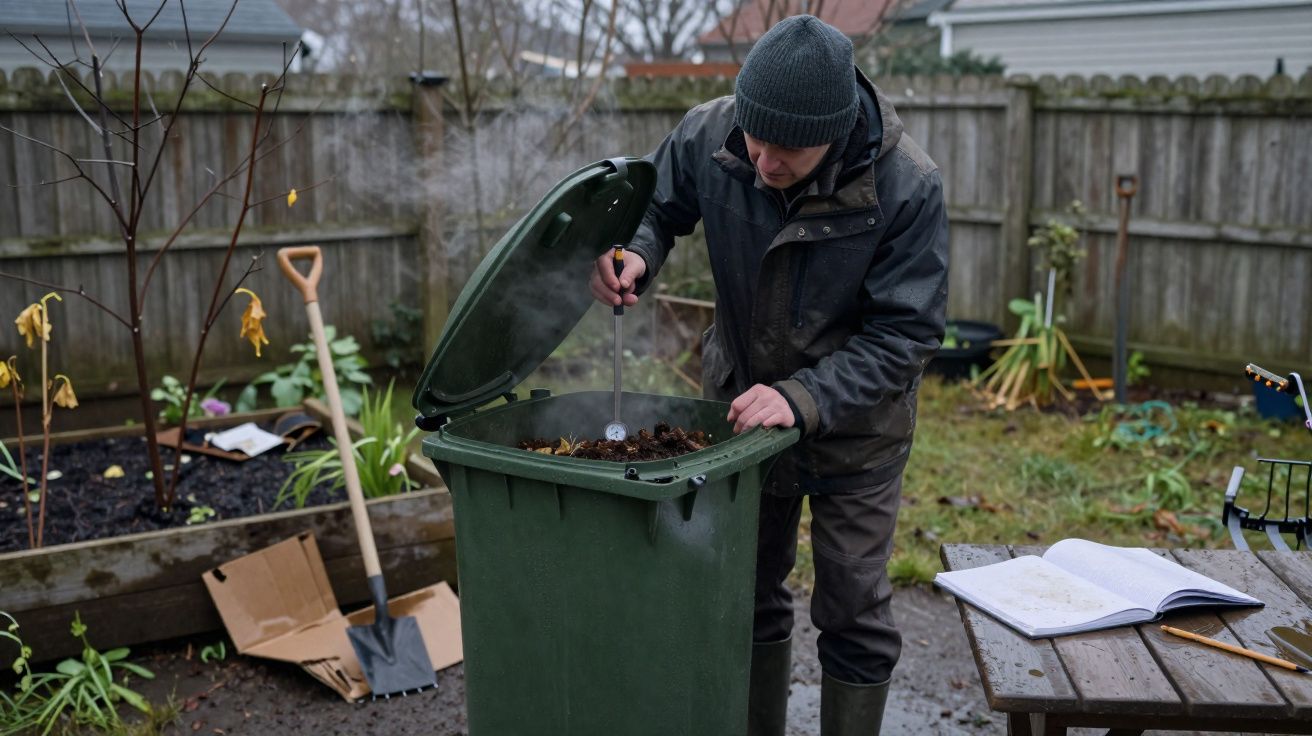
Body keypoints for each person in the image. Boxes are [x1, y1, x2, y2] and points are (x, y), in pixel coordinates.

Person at [589, 14, 948, 736]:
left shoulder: (906, 187)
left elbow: (906, 334)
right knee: (744, 592)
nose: (764, 160)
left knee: (853, 609)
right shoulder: (709, 134)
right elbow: (657, 205)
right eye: (756, 136)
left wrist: (806, 395)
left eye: (788, 148)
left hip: (857, 435)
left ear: (838, 129)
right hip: (740, 417)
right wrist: (635, 250)